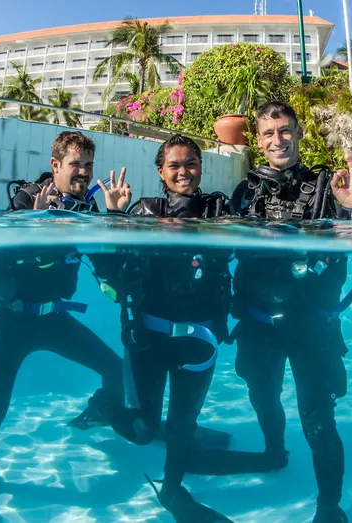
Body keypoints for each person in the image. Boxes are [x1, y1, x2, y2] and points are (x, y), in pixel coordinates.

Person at [0, 131, 131, 523]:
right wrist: (31, 227)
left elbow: (108, 274)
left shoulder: (88, 209)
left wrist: (114, 219)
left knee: (115, 369)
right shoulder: (25, 202)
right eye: (75, 164)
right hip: (11, 320)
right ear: (55, 164)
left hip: (55, 317)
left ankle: (99, 411)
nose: (83, 172)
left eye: (88, 166)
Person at [227, 101, 352, 523]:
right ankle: (274, 451)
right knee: (262, 397)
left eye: (284, 131)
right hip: (258, 326)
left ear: (298, 133)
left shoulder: (329, 188)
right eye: (267, 134)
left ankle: (329, 506)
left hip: (312, 329)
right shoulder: (245, 194)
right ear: (258, 143)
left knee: (317, 420)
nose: (277, 140)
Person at [97, 134, 234, 522]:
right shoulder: (144, 210)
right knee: (143, 430)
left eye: (190, 163)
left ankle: (173, 491)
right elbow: (110, 268)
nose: (183, 171)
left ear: (201, 167)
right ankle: (106, 407)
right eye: (174, 165)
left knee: (182, 425)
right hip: (150, 341)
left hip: (199, 341)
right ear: (160, 171)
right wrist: (115, 218)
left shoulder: (217, 208)